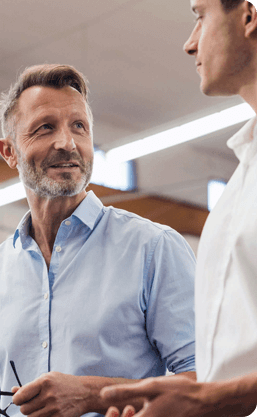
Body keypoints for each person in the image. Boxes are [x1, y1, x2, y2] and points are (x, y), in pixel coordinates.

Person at [0, 64, 197, 417]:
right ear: (9, 152)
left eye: (79, 127)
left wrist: (92, 395)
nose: (67, 143)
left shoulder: (154, 249)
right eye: (45, 128)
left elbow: (206, 382)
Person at [100, 1, 257, 416]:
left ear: (249, 15)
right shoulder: (242, 179)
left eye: (200, 16)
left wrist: (212, 399)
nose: (190, 44)